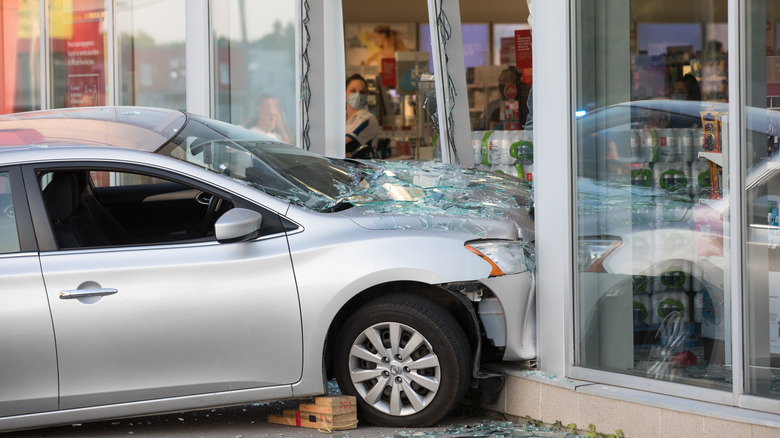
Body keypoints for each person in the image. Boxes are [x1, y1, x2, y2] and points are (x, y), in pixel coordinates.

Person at [345, 73, 379, 157]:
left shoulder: (368, 119)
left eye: (362, 92)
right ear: (344, 93)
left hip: (360, 169)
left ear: (366, 95)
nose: (358, 95)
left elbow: (345, 145)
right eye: (353, 91)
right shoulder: (340, 119)